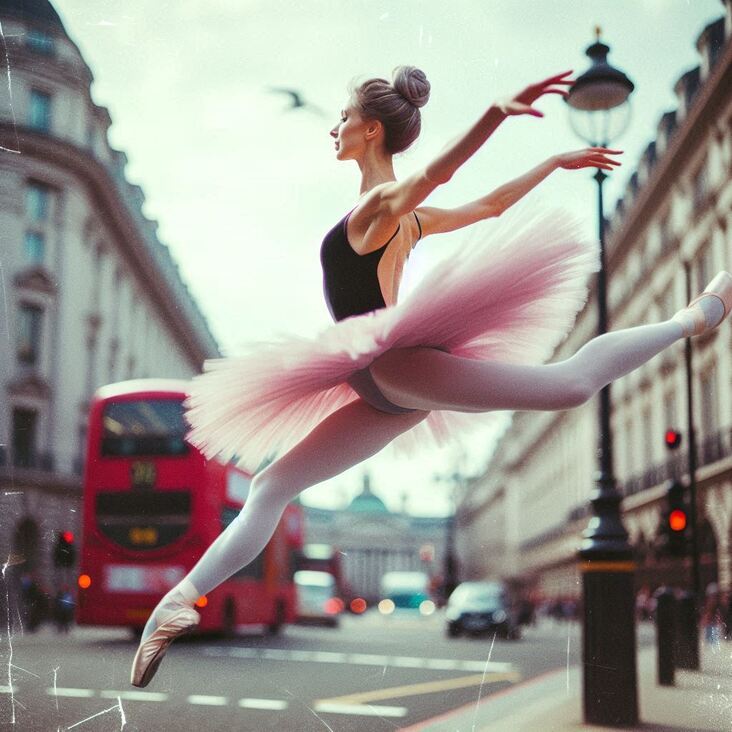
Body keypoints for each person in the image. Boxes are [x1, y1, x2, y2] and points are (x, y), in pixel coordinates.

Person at [131, 66, 732, 687]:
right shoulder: (402, 217)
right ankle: (177, 602)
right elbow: (490, 203)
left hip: (394, 369)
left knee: (570, 385)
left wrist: (497, 113)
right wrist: (550, 163)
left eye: (342, 118)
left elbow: (441, 179)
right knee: (269, 487)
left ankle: (694, 318)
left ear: (369, 131)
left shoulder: (382, 208)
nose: (333, 128)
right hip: (377, 385)